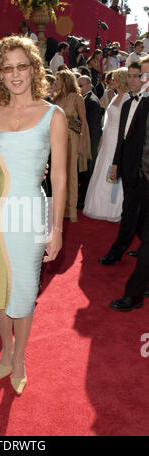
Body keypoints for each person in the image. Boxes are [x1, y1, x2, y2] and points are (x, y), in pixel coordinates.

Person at [0, 36, 67, 394]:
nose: (15, 74)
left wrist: (57, 228)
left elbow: (61, 178)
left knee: (25, 288)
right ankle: (6, 347)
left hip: (31, 212)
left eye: (22, 66)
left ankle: (20, 358)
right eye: (7, 68)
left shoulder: (54, 115)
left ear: (34, 69)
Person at [109, 56, 149, 311]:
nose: (142, 79)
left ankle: (135, 292)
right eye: (140, 74)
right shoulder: (138, 101)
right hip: (139, 174)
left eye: (144, 74)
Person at [98, 61, 147, 265]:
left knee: (143, 215)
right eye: (131, 75)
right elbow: (122, 137)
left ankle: (144, 250)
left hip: (144, 171)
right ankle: (117, 251)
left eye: (138, 76)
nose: (133, 80)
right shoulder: (127, 104)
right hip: (128, 168)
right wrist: (116, 164)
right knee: (129, 212)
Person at [83, 67, 129, 222]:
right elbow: (107, 122)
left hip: (118, 141)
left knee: (114, 171)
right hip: (107, 139)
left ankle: (114, 208)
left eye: (115, 79)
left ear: (122, 80)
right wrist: (102, 139)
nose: (111, 81)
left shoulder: (127, 99)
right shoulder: (115, 96)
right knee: (102, 169)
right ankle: (99, 206)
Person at [54, 70, 91, 222]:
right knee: (57, 174)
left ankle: (70, 210)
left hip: (72, 139)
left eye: (57, 80)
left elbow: (83, 122)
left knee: (70, 174)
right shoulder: (56, 97)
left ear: (65, 81)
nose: (55, 82)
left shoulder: (77, 97)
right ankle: (59, 207)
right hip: (57, 139)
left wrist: (81, 143)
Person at [77, 75, 102, 208]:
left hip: (90, 142)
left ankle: (85, 199)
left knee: (87, 171)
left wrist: (89, 145)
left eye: (80, 86)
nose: (78, 88)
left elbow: (92, 127)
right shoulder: (85, 99)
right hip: (86, 141)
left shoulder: (92, 101)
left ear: (89, 85)